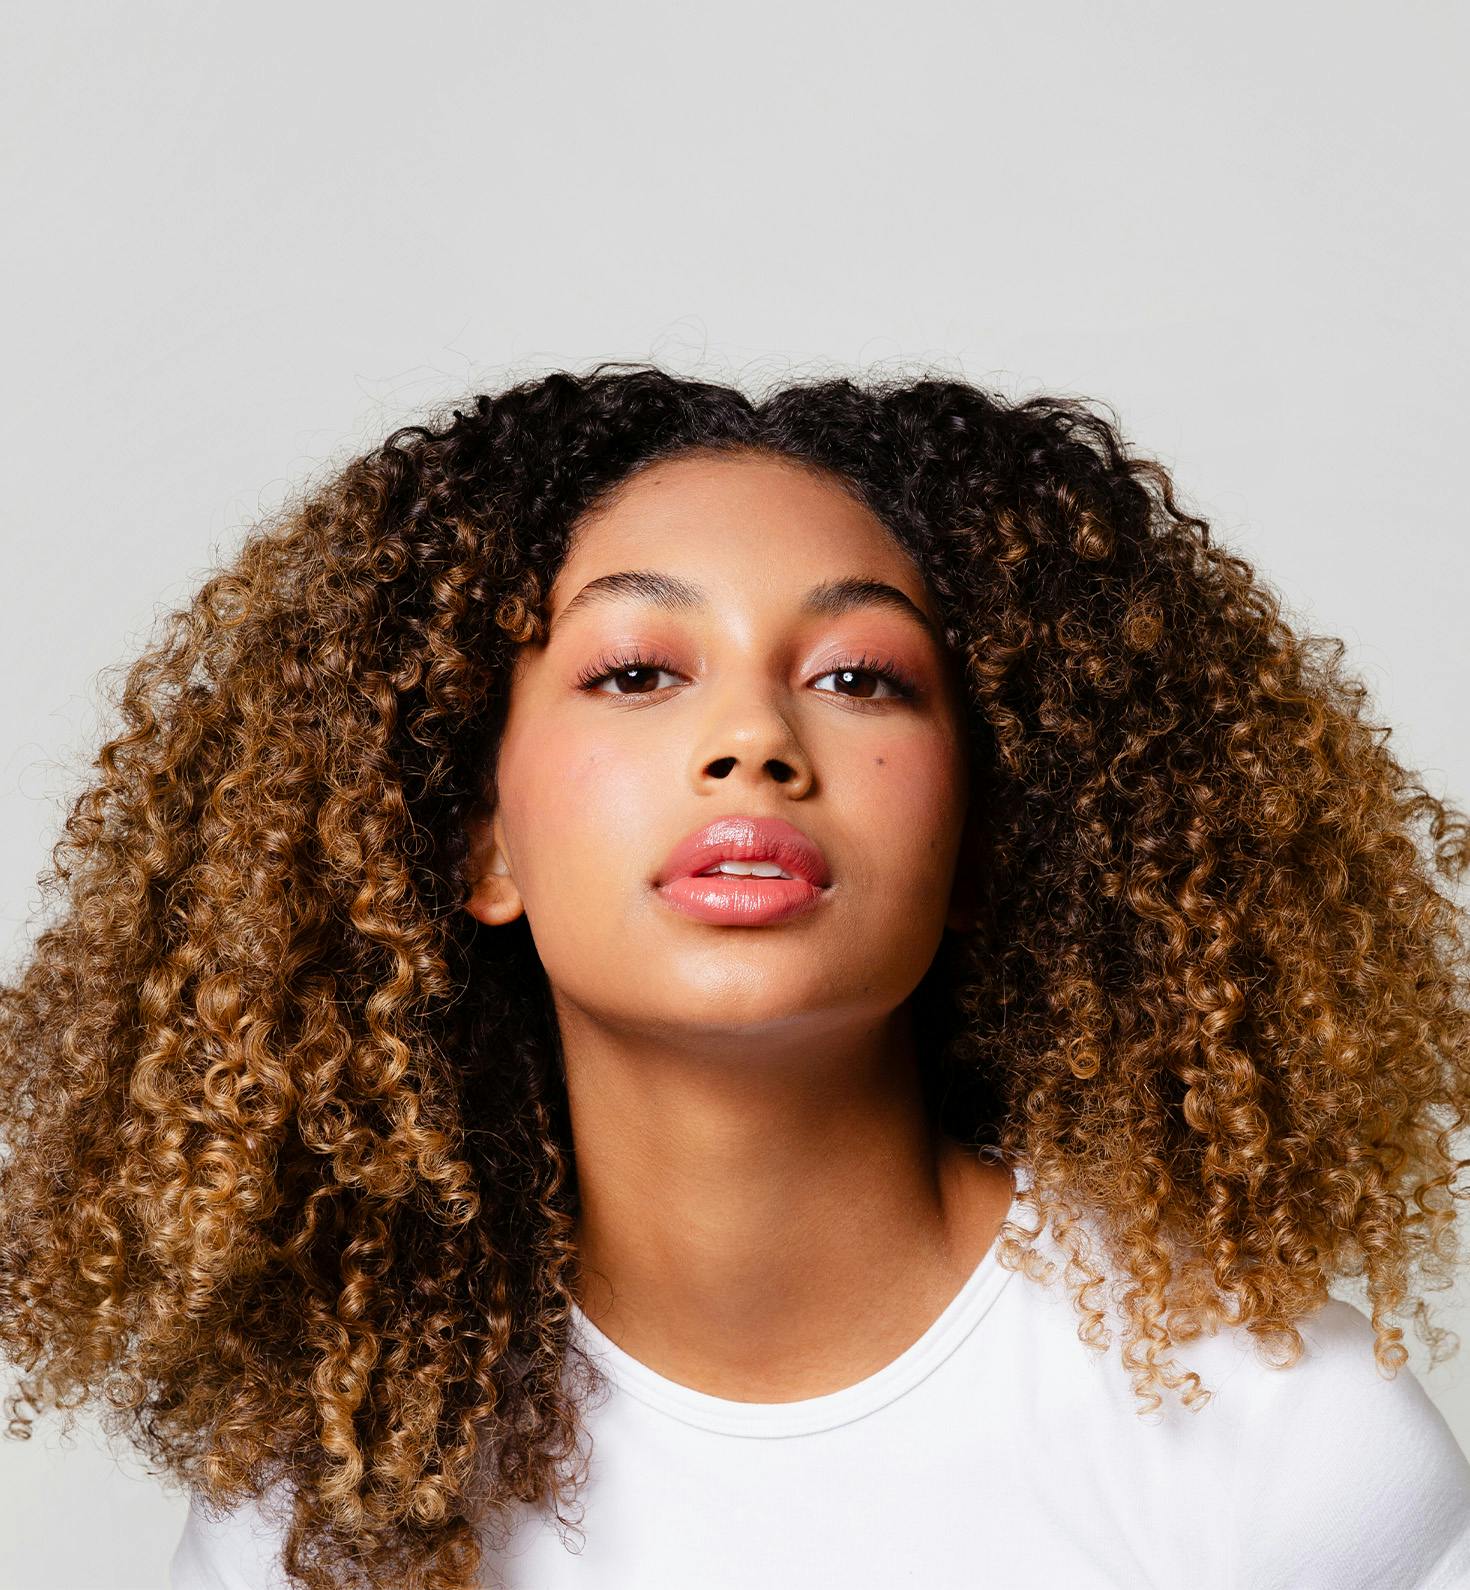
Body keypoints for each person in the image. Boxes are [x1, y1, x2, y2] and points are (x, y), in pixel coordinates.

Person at [3, 364, 1468, 1589]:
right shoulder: (327, 1507)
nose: (753, 738)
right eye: (638, 670)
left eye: (857, 676)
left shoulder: (1289, 1446)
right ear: (473, 844)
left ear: (977, 849)